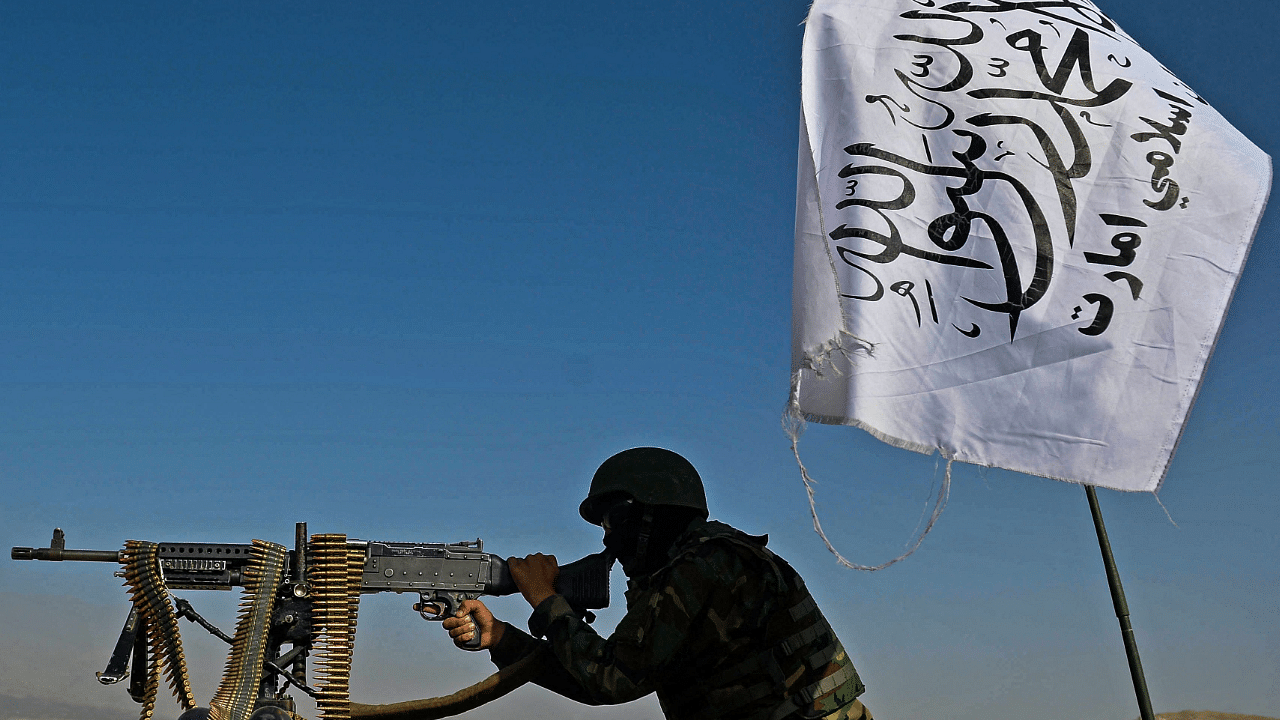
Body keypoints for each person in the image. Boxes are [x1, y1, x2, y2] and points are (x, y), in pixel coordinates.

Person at [442, 447, 872, 720]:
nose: (608, 539)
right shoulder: (692, 567)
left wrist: (545, 598)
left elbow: (609, 678)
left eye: (610, 522)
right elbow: (600, 676)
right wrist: (501, 638)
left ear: (640, 516)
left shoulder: (708, 564)